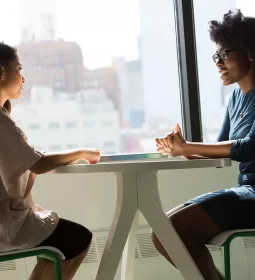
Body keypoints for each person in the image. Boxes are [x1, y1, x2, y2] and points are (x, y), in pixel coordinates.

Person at [152, 9, 255, 280]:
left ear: (250, 52)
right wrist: (178, 148)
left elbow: (248, 148)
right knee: (163, 232)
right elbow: (220, 150)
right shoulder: (235, 98)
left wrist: (187, 148)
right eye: (216, 56)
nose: (218, 62)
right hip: (247, 189)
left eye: (224, 54)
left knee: (172, 231)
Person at [0, 42, 101, 280]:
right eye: (19, 69)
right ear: (2, 72)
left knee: (56, 247)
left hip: (9, 218)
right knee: (78, 240)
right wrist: (80, 153)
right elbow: (38, 163)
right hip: (6, 226)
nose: (23, 79)